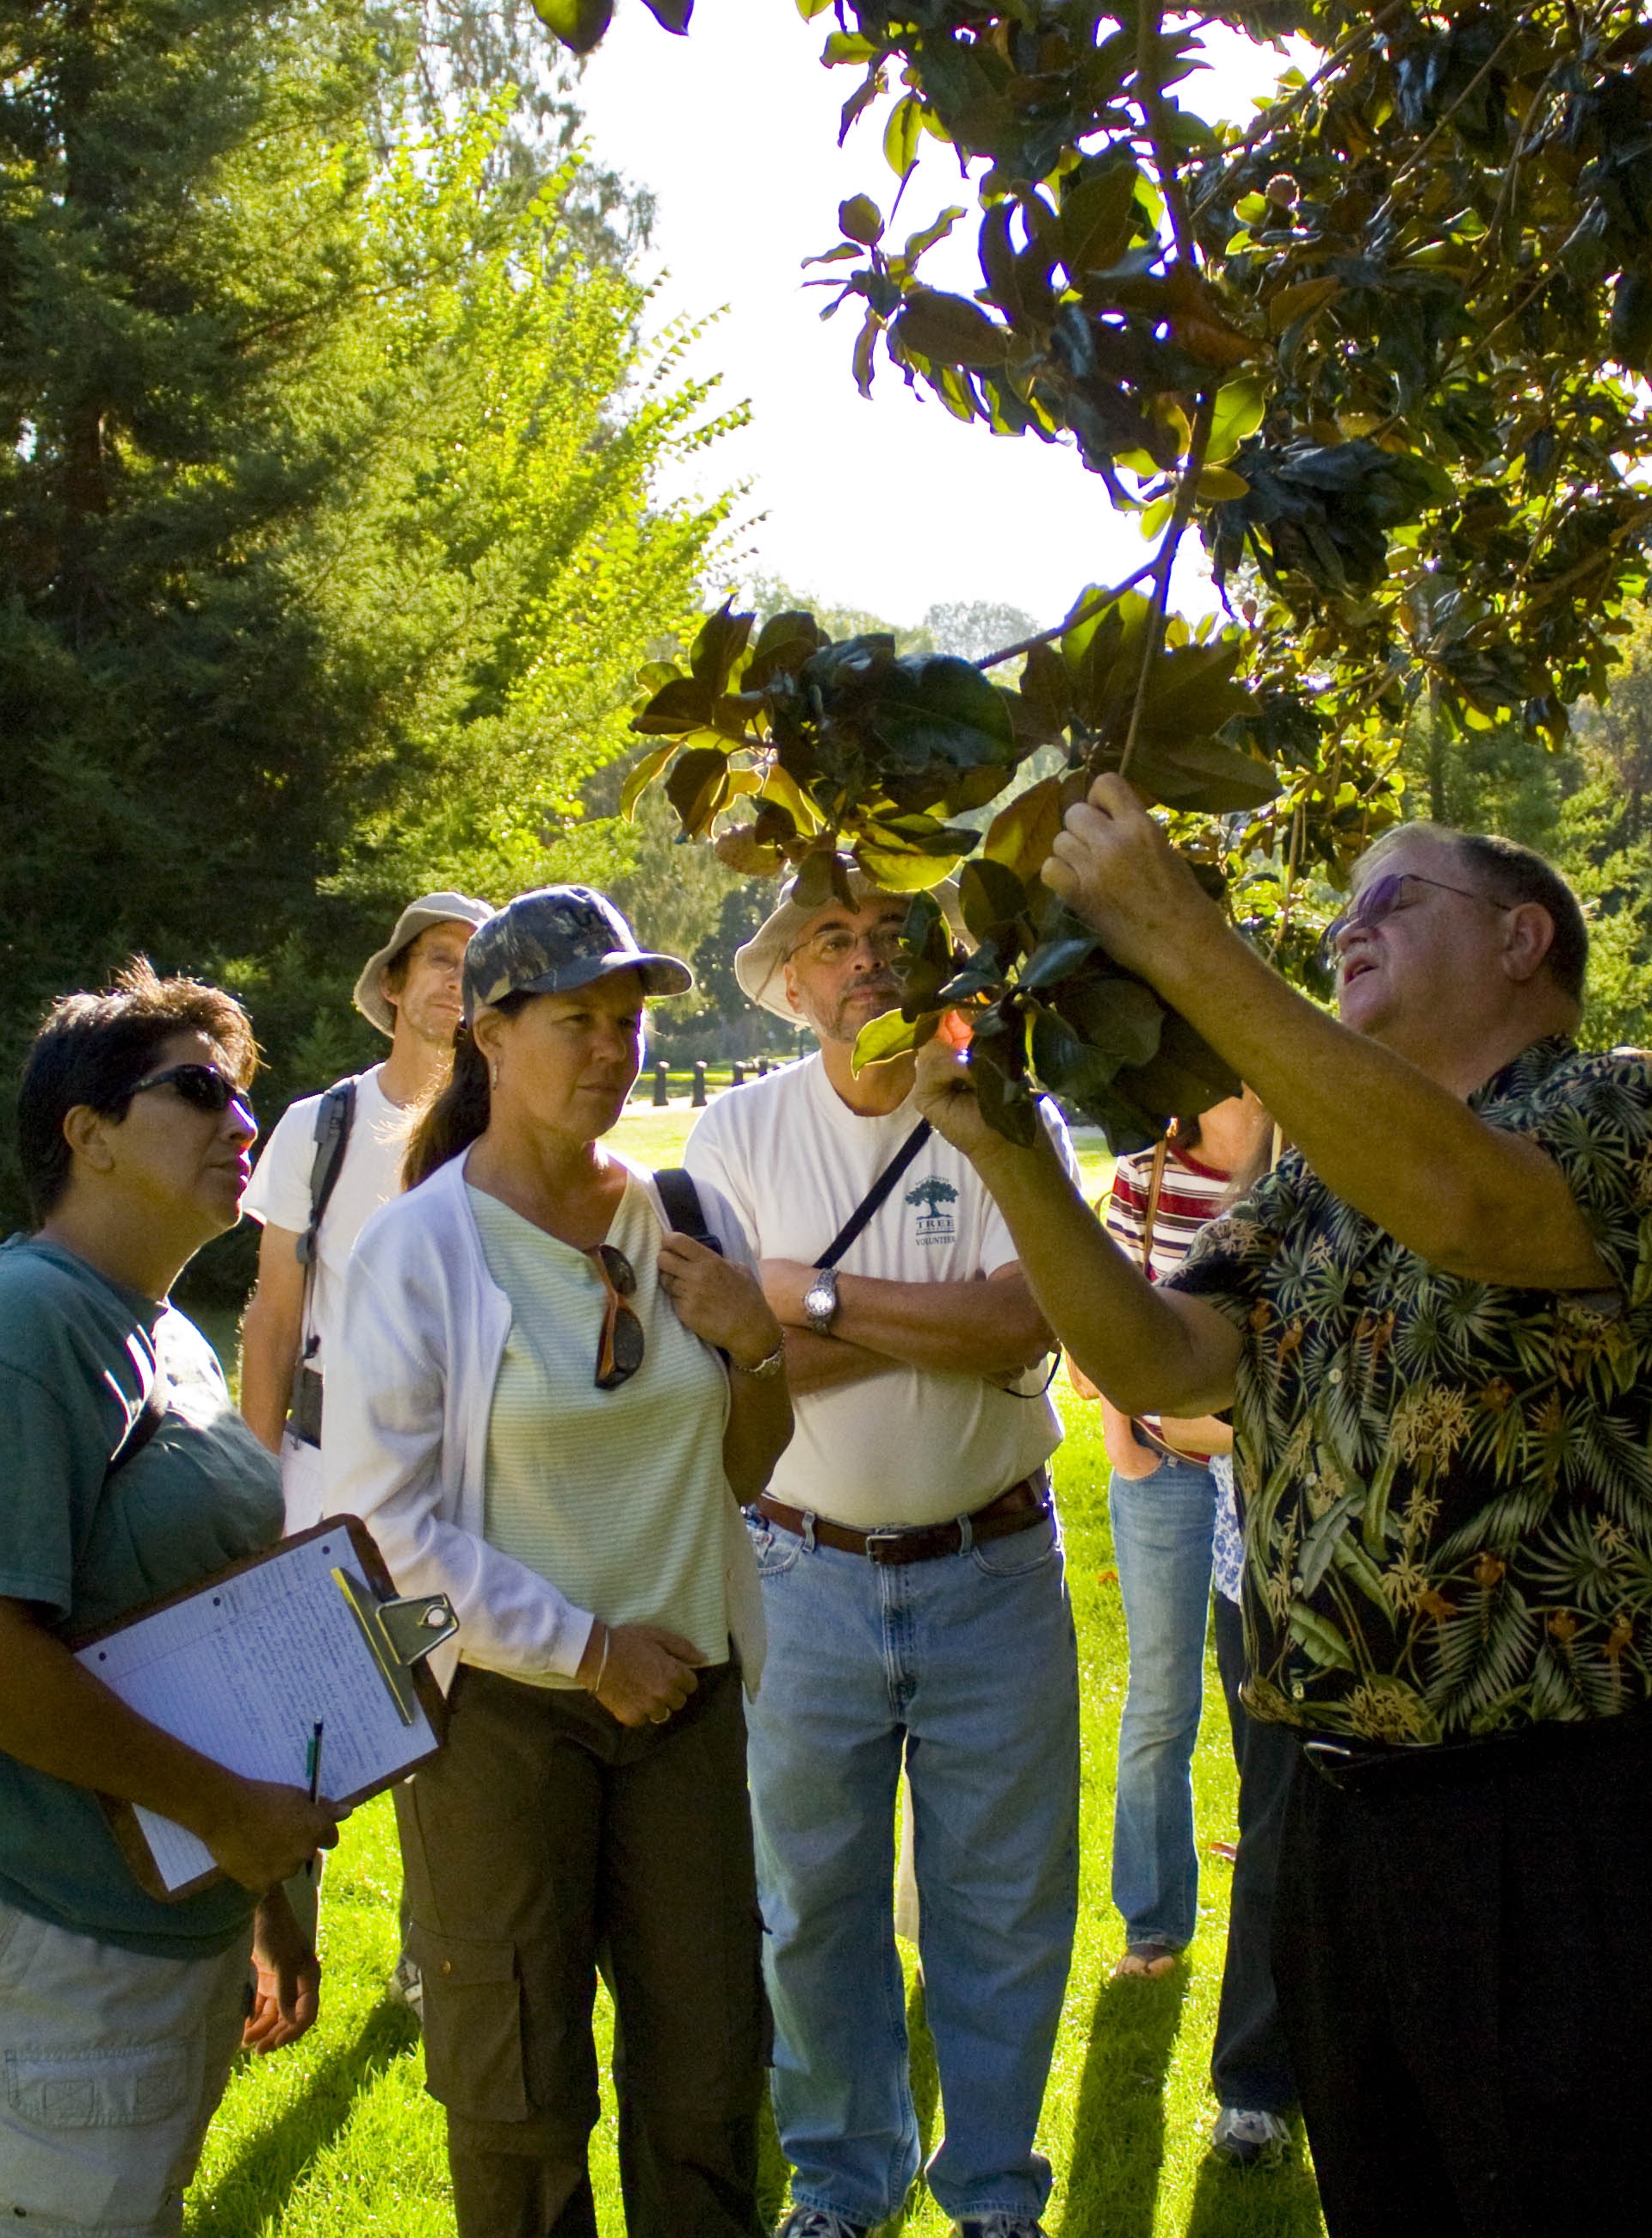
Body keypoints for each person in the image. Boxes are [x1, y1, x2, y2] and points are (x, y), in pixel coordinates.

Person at [906, 798, 1652, 2235]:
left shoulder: (1640, 1110)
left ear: (1518, 935)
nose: (1347, 926)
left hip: (1587, 1809)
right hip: (1351, 1804)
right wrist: (1008, 1152)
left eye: (1391, 899)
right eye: (1341, 909)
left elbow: (1468, 1208)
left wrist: (1186, 939)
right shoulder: (1310, 1169)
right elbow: (1165, 1357)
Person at [330, 888, 795, 2237]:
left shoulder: (674, 1216)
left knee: (708, 2080)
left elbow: (744, 1469)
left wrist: (757, 1344)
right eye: (575, 1019)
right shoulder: (418, 1252)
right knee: (520, 2097)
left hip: (688, 1708)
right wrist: (590, 1650)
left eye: (629, 1019)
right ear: (488, 1032)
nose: (611, 1048)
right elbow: (383, 1532)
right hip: (503, 1720)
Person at [0, 960, 335, 2238]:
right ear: (88, 1133)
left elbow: (201, 1630)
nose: (242, 1124)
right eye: (198, 1091)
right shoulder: (16, 1327)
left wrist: (262, 1898)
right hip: (34, 1920)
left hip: (157, 1910)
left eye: (246, 1097)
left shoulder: (158, 1325)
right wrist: (225, 1815)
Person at [682, 861, 1080, 2238]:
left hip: (995, 1572)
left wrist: (809, 1297)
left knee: (1006, 1908)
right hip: (799, 1573)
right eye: (832, 940)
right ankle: (844, 2185)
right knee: (812, 1913)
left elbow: (1023, 1324)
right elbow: (725, 1358)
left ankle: (993, 2195)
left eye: (892, 934)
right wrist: (917, 1317)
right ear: (790, 986)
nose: (865, 959)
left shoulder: (1002, 1116)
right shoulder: (733, 1138)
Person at [1077, 1091, 1295, 2169]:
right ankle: (1153, 1920)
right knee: (1161, 1696)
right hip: (1166, 1468)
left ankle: (1271, 1986)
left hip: (1263, 1475)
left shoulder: (1306, 1157)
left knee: (1274, 1743)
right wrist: (1123, 1432)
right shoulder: (1146, 1172)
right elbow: (1106, 1311)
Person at [241, 891, 494, 1518]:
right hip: (325, 1473)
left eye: (476, 967)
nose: (457, 981)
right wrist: (253, 1498)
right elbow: (273, 1323)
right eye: (441, 958)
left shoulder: (510, 1137)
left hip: (474, 1482)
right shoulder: (319, 1127)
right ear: (392, 982)